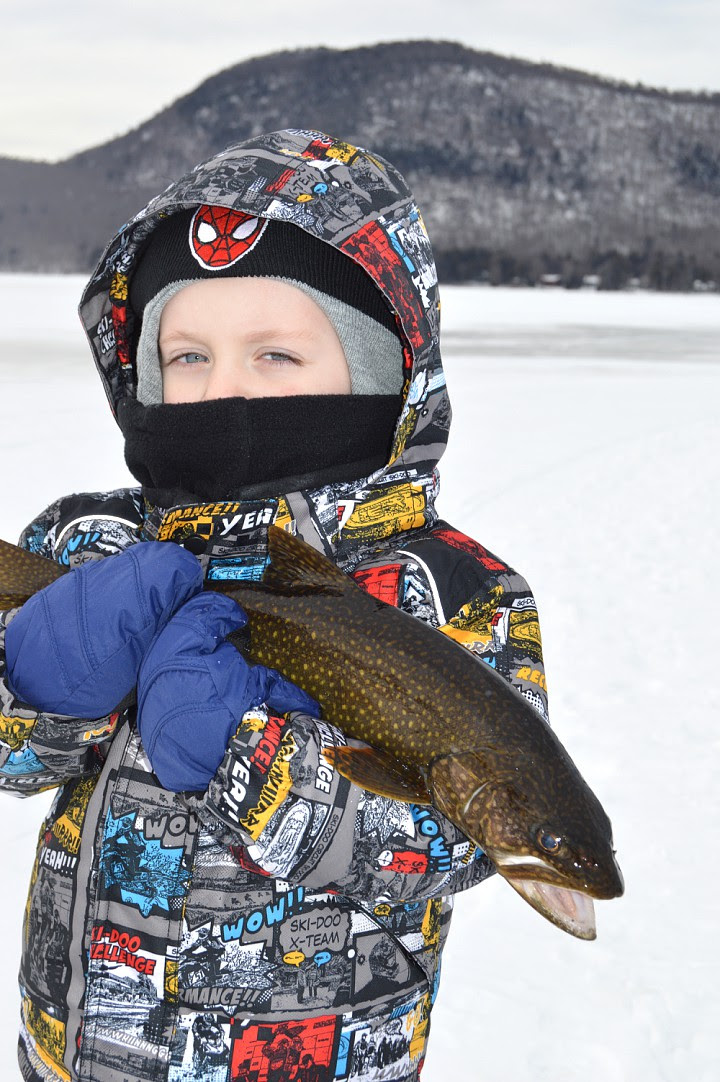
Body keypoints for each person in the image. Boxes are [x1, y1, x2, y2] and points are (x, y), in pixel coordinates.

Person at [0, 129, 549, 1082]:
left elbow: (453, 847)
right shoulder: (94, 545)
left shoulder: (453, 595)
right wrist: (36, 692)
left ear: (380, 372)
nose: (225, 391)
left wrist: (249, 756)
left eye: (275, 356)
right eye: (188, 356)